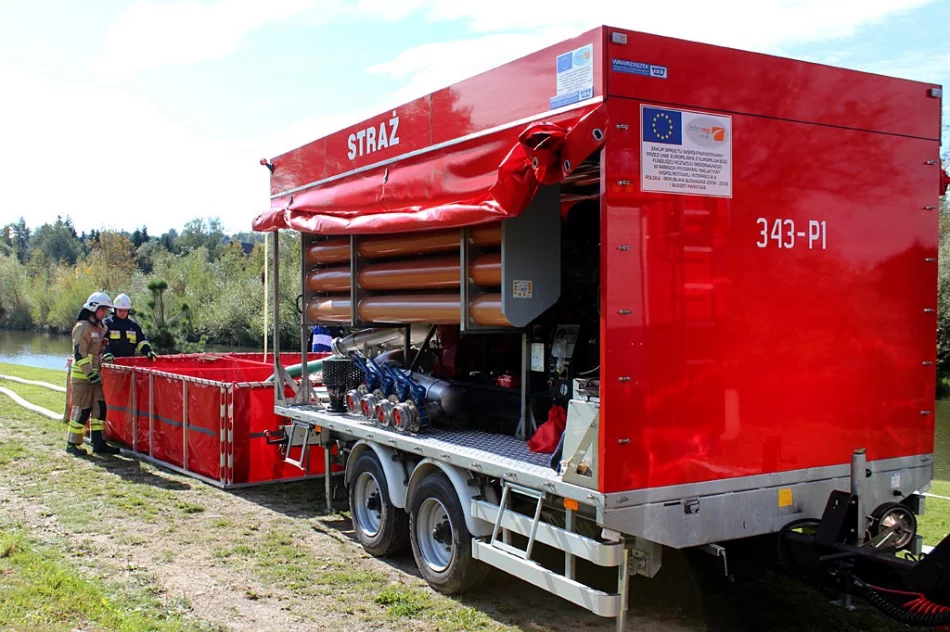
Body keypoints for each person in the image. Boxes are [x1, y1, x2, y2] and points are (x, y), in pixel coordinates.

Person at [67, 292, 120, 456]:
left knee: (100, 409)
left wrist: (107, 354)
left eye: (105, 310)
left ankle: (99, 443)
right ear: (93, 308)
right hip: (83, 378)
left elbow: (101, 349)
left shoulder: (102, 328)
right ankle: (73, 443)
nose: (103, 313)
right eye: (101, 309)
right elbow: (80, 355)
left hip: (97, 378)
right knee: (82, 410)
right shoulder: (82, 327)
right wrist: (90, 373)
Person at [102, 294, 157, 360]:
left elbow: (141, 341)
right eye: (120, 310)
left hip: (129, 363)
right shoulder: (107, 323)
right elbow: (102, 341)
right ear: (115, 309)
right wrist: (106, 353)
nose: (122, 313)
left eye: (125, 311)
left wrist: (148, 351)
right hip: (110, 362)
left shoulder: (133, 326)